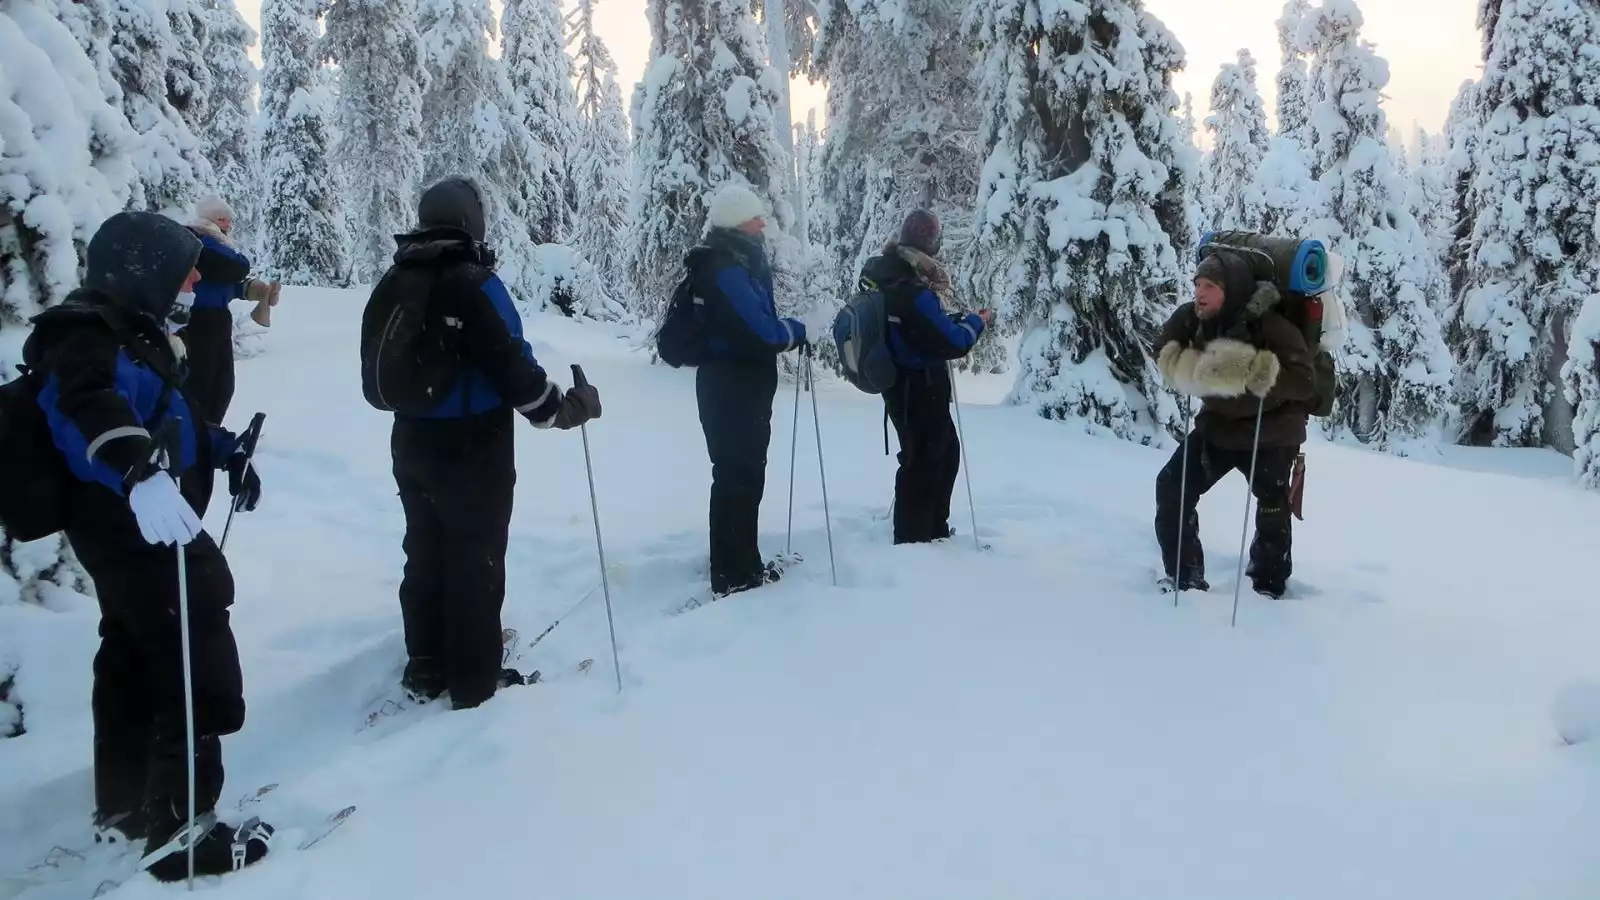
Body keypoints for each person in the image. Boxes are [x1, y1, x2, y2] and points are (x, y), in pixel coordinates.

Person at [22, 210, 271, 881]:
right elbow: (87, 407)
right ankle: (183, 834)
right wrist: (138, 470)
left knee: (135, 653)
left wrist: (226, 454)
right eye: (183, 267)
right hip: (129, 525)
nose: (193, 279)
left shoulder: (135, 336)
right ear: (143, 269)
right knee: (193, 658)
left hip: (137, 524)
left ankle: (128, 806)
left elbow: (178, 418)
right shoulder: (85, 338)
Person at [371, 177, 601, 711]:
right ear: (472, 221)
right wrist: (561, 410)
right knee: (475, 556)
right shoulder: (474, 282)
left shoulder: (397, 276)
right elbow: (512, 363)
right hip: (474, 442)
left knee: (424, 548)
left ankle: (426, 664)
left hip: (410, 438)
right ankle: (474, 681)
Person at [1152, 247, 1316, 599]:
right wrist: (1191, 368)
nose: (1199, 292)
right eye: (1197, 283)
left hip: (1270, 433)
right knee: (1171, 487)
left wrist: (1252, 372)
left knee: (1273, 506)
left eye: (1209, 285)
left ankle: (1268, 588)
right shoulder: (1191, 318)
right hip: (1217, 428)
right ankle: (1186, 577)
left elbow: (1304, 381)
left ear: (1232, 288)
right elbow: (1162, 348)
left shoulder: (1270, 325)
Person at [684, 183, 807, 597]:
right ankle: (734, 575)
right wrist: (796, 331)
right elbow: (760, 331)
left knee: (741, 474)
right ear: (739, 223)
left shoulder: (728, 263)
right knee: (739, 476)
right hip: (734, 388)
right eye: (756, 217)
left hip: (732, 386)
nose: (762, 223)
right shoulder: (727, 271)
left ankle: (741, 564)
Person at [857, 210, 992, 545]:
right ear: (932, 243)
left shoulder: (885, 272)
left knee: (939, 453)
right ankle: (915, 540)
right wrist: (976, 323)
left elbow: (921, 326)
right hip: (919, 385)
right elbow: (952, 342)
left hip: (900, 382)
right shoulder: (913, 289)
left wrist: (947, 322)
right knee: (925, 460)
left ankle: (931, 530)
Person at [179, 195, 279, 427]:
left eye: (228, 219)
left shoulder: (214, 245)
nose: (227, 224)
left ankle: (207, 430)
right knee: (207, 384)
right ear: (207, 219)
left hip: (216, 319)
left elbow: (222, 280)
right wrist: (243, 280)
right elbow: (235, 267)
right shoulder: (202, 241)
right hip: (200, 320)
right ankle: (200, 432)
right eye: (221, 219)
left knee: (219, 384)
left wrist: (249, 290)